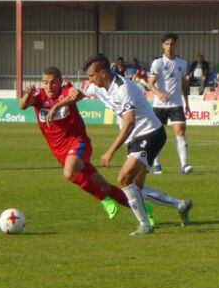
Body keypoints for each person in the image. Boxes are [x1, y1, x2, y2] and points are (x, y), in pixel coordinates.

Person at [70, 54, 192, 236]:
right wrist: (61, 104)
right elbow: (81, 93)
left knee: (124, 179)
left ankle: (145, 225)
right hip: (137, 139)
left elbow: (129, 123)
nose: (89, 80)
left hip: (151, 134)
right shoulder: (98, 86)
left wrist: (110, 151)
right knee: (136, 189)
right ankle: (180, 205)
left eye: (91, 76)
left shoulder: (123, 88)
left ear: (102, 73)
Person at [19, 66, 150, 224]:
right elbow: (23, 106)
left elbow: (77, 94)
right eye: (46, 82)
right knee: (104, 186)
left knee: (69, 173)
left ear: (60, 82)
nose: (49, 86)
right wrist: (27, 94)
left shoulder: (66, 90)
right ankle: (144, 210)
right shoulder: (39, 95)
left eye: (53, 83)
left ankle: (104, 200)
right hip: (60, 151)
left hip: (79, 143)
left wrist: (66, 98)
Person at [148, 33, 192, 175]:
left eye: (172, 44)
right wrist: (159, 93)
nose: (169, 46)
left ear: (175, 45)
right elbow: (150, 84)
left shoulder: (182, 63)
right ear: (163, 45)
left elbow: (184, 86)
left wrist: (187, 103)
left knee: (181, 133)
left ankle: (184, 165)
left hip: (176, 104)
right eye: (166, 44)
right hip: (159, 105)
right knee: (158, 135)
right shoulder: (158, 62)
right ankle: (156, 163)